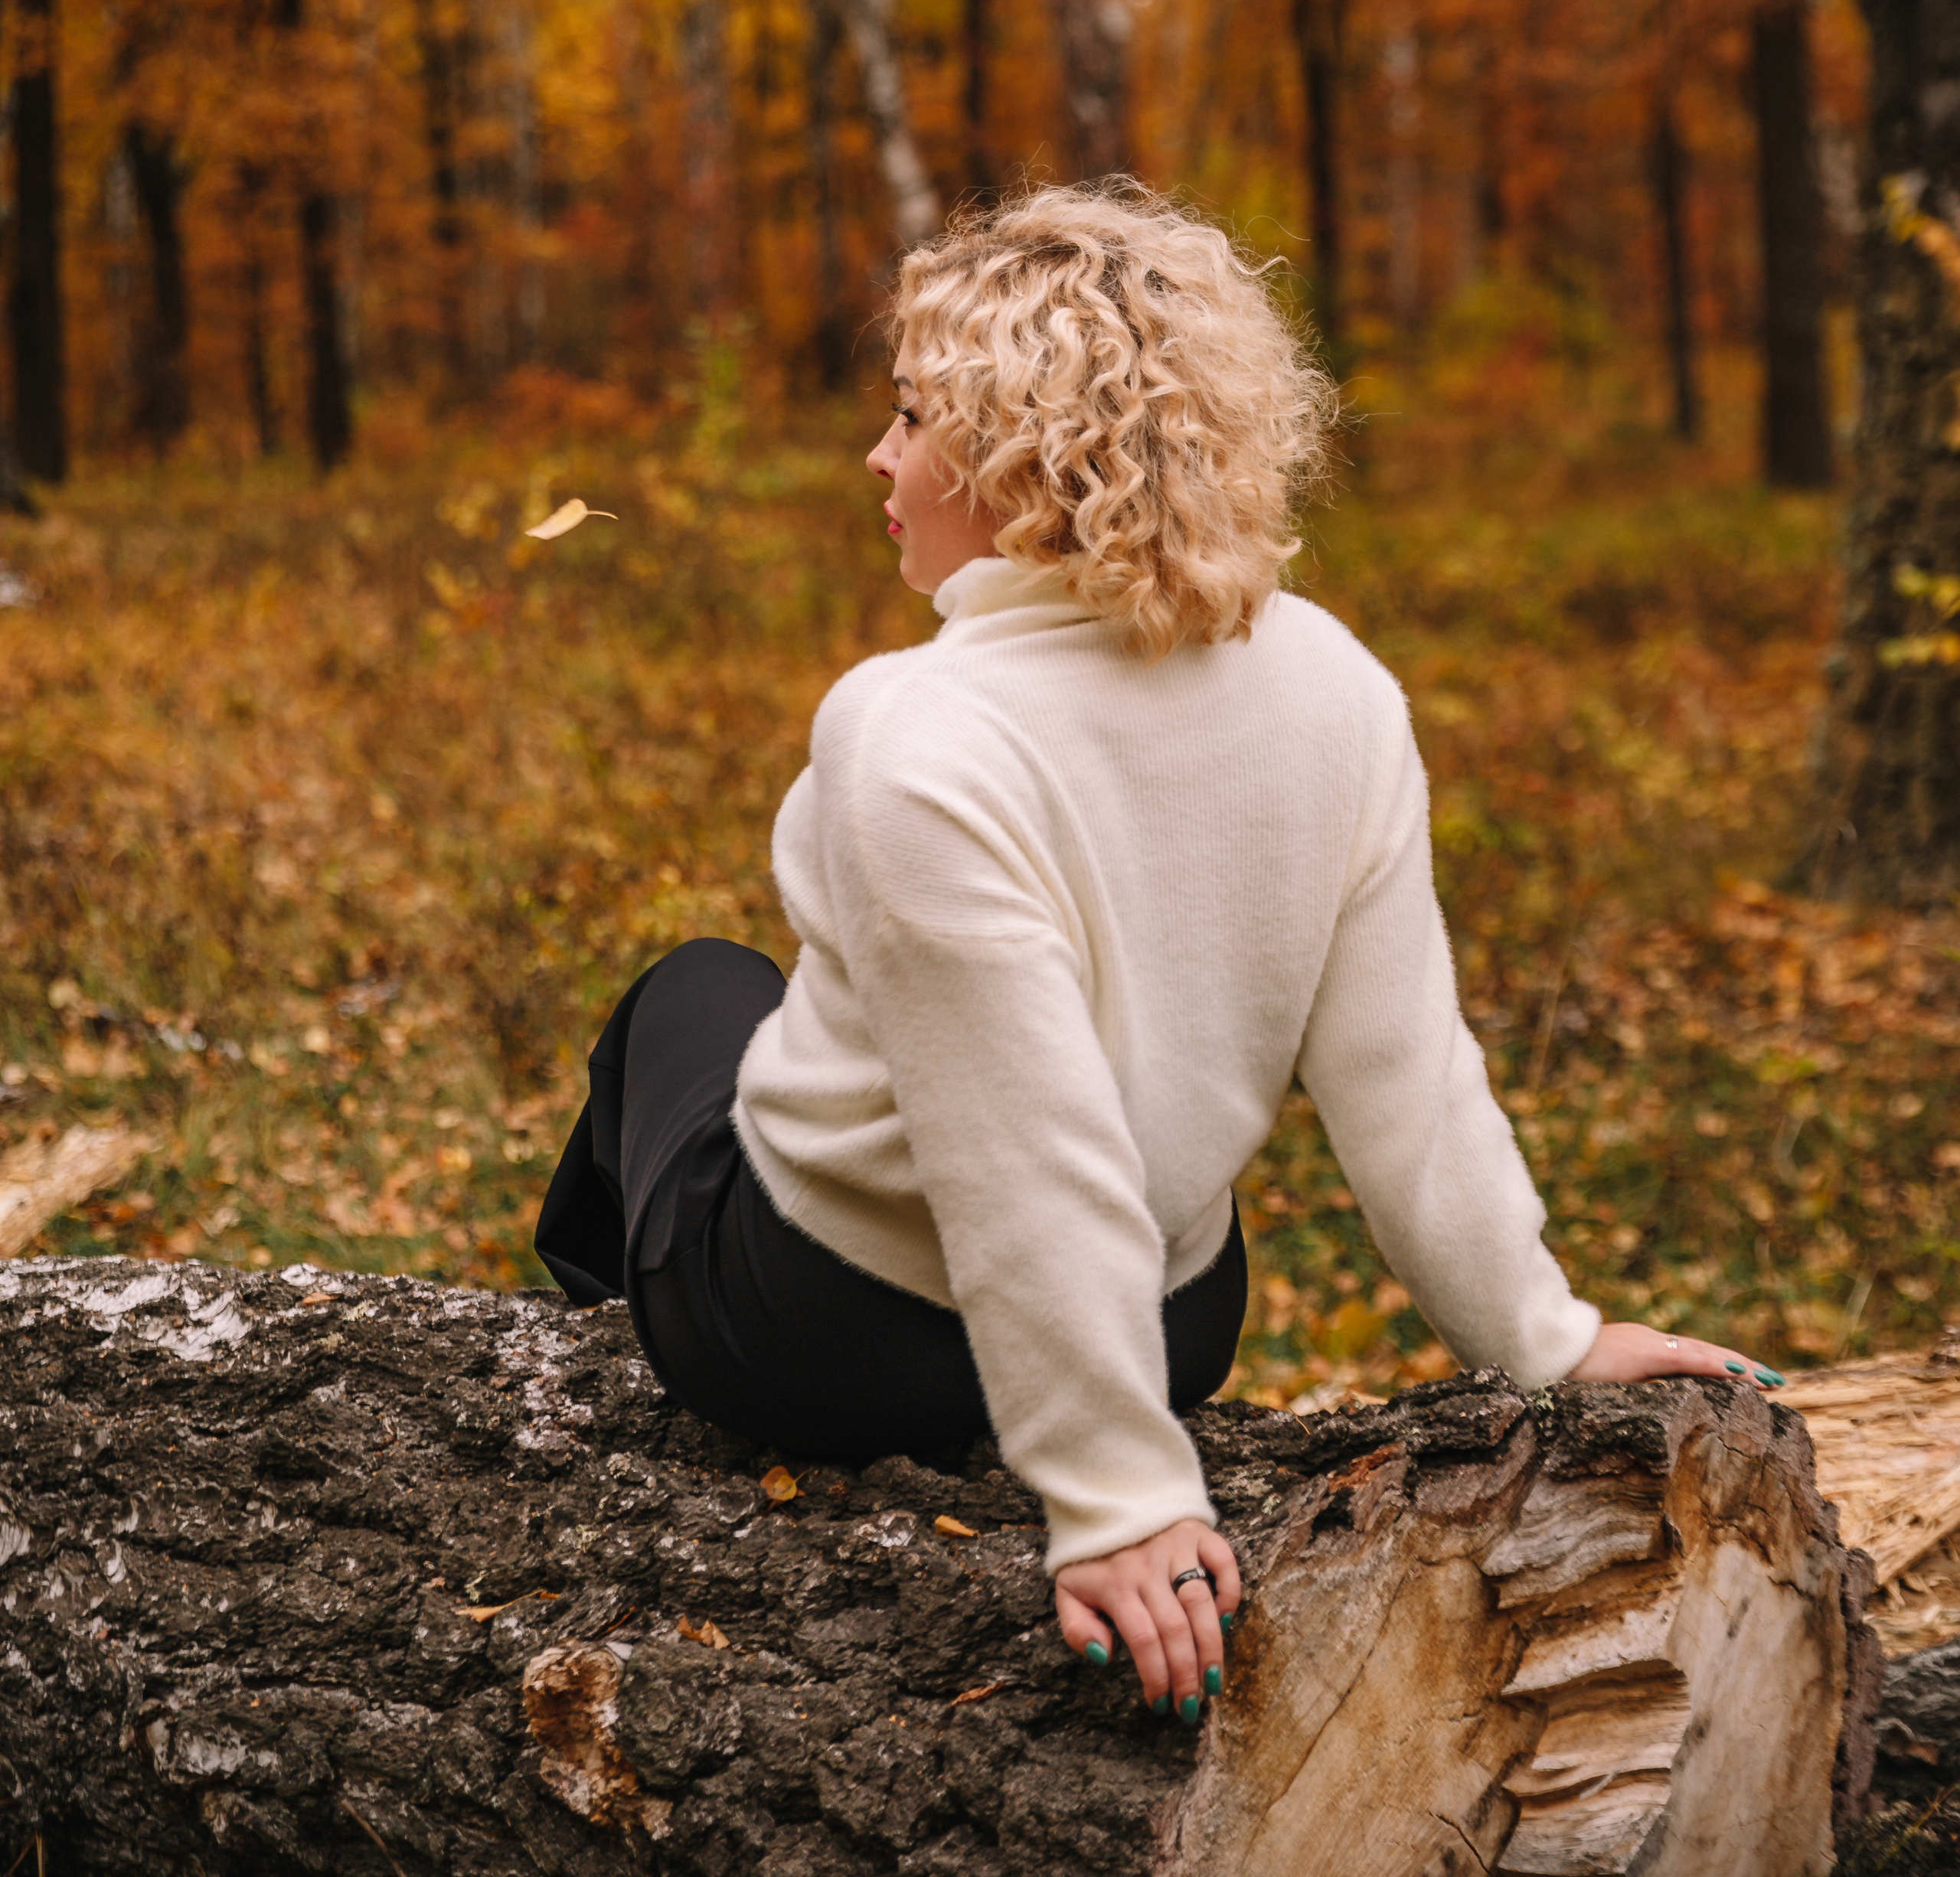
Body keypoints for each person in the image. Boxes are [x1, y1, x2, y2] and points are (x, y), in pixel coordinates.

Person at [537, 181, 1777, 1727]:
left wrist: (1119, 1502)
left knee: (686, 991)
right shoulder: (1332, 683)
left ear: (1015, 457)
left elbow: (1021, 1149)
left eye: (914, 417)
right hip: (1174, 1323)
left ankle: (581, 1355)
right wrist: (1539, 1337)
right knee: (824, 1020)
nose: (878, 457)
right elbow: (1403, 1076)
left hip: (827, 1343)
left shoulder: (913, 729)